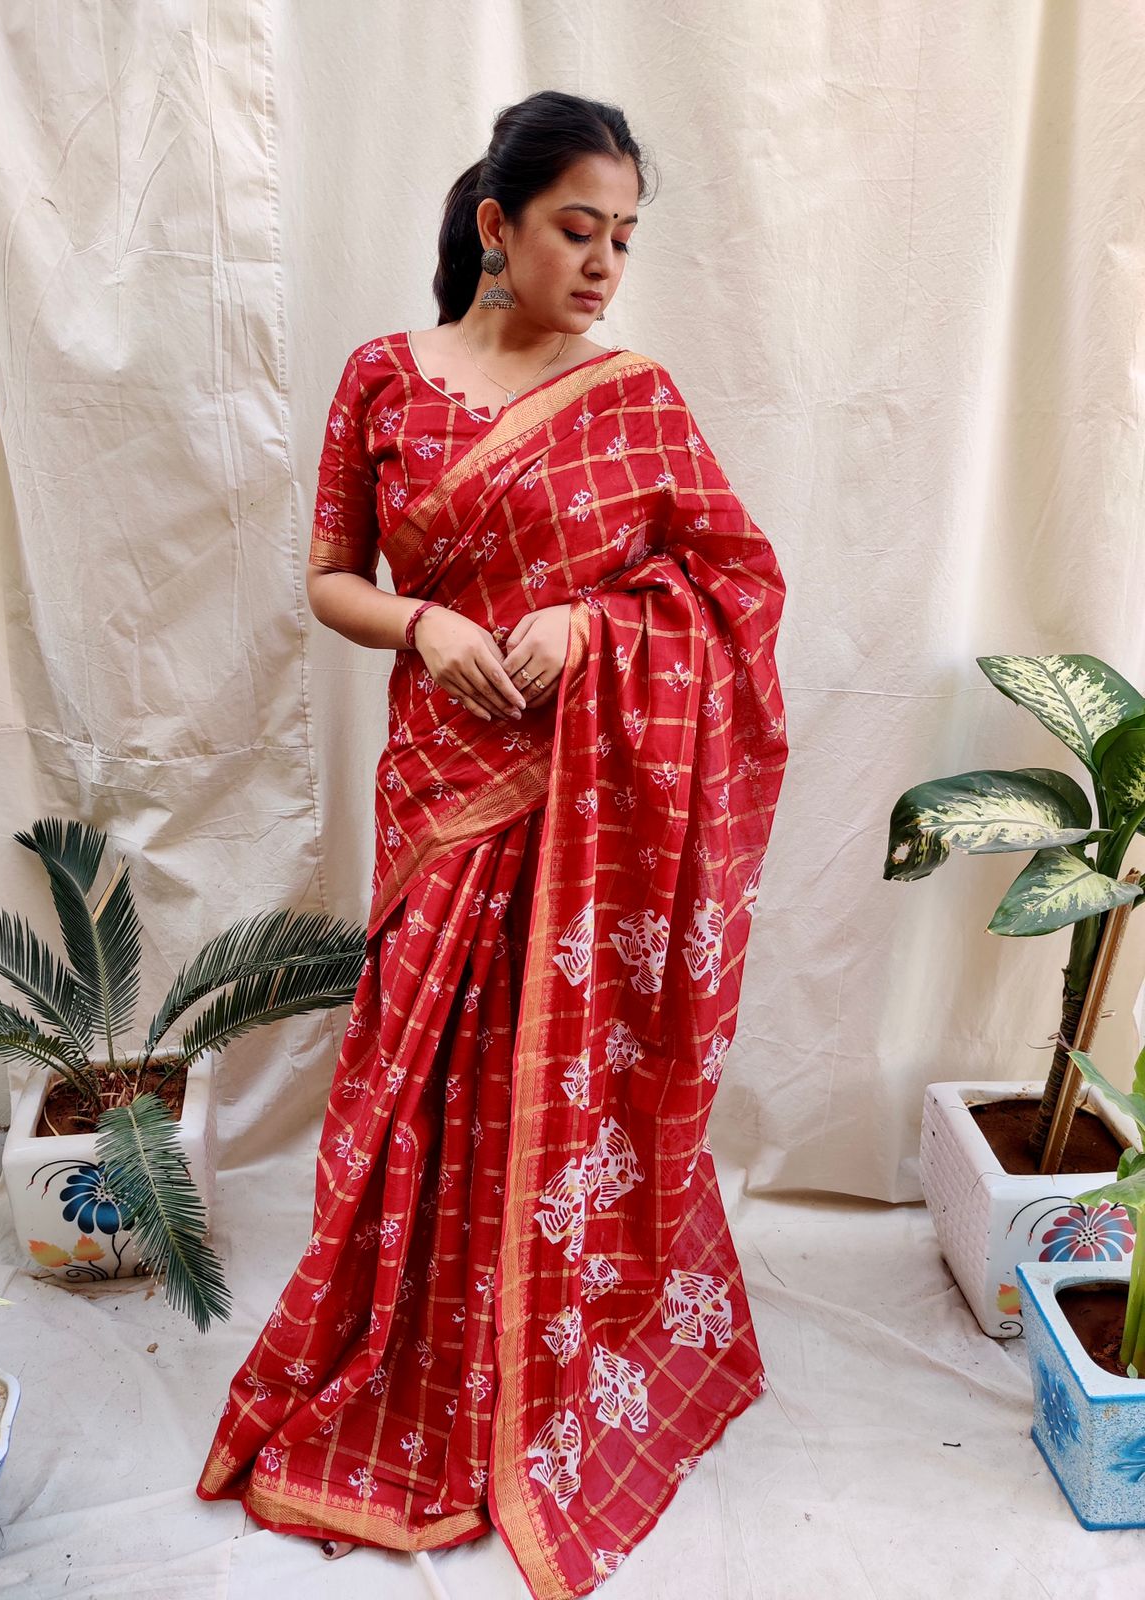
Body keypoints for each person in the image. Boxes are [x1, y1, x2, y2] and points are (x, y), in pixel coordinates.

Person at [195, 88, 789, 1600]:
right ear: (495, 226)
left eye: (624, 237)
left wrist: (593, 622)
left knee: (558, 1068)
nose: (604, 263)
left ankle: (554, 1358)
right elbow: (329, 574)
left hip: (580, 803)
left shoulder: (635, 399)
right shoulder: (382, 379)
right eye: (578, 229)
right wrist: (430, 621)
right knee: (416, 1065)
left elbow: (735, 587)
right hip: (437, 790)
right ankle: (410, 1349)